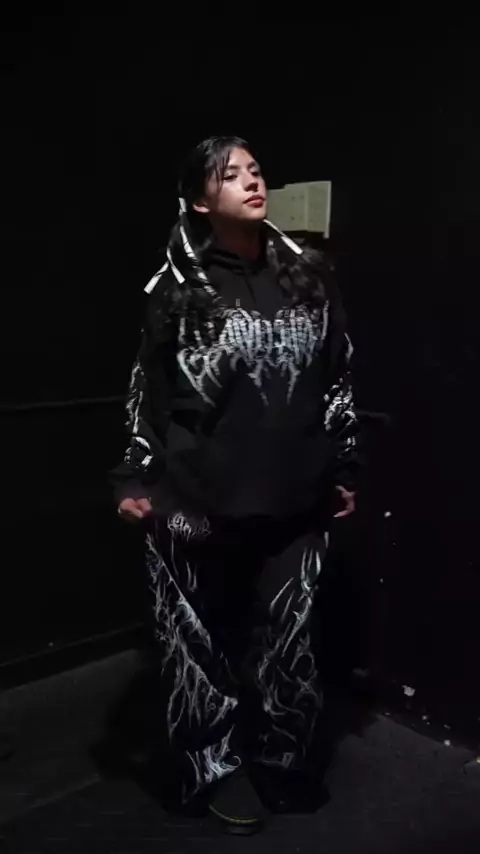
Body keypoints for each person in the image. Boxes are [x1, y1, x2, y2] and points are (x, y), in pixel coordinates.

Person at [110, 135, 359, 835]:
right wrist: (132, 477)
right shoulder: (175, 290)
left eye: (255, 170)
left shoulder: (310, 276)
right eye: (229, 175)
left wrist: (343, 466)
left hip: (295, 500)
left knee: (291, 641)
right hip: (197, 500)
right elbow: (148, 390)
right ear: (199, 200)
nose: (251, 182)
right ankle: (211, 770)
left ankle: (283, 761)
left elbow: (338, 375)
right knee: (197, 645)